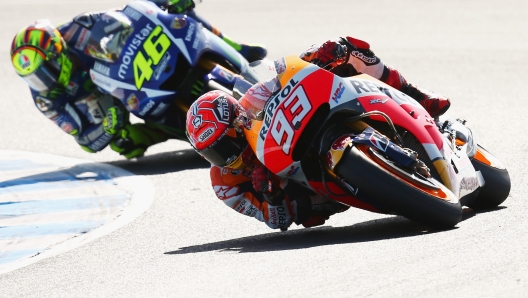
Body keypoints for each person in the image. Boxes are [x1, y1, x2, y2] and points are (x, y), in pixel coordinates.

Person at [184, 36, 451, 231]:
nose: (225, 158)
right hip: (309, 185)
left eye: (225, 146)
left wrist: (316, 57)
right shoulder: (225, 185)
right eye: (212, 153)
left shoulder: (252, 98)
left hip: (308, 121)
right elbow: (274, 220)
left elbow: (287, 73)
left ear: (238, 120)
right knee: (306, 214)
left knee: (346, 48)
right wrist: (271, 195)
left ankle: (419, 96)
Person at [9, 0, 267, 159]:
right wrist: (108, 126)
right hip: (117, 102)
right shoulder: (47, 99)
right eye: (34, 78)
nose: (44, 81)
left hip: (132, 71)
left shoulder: (79, 27)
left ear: (58, 51)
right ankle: (184, 133)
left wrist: (162, 4)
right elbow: (85, 141)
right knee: (126, 143)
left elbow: (127, 17)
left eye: (46, 70)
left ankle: (236, 47)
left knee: (179, 15)